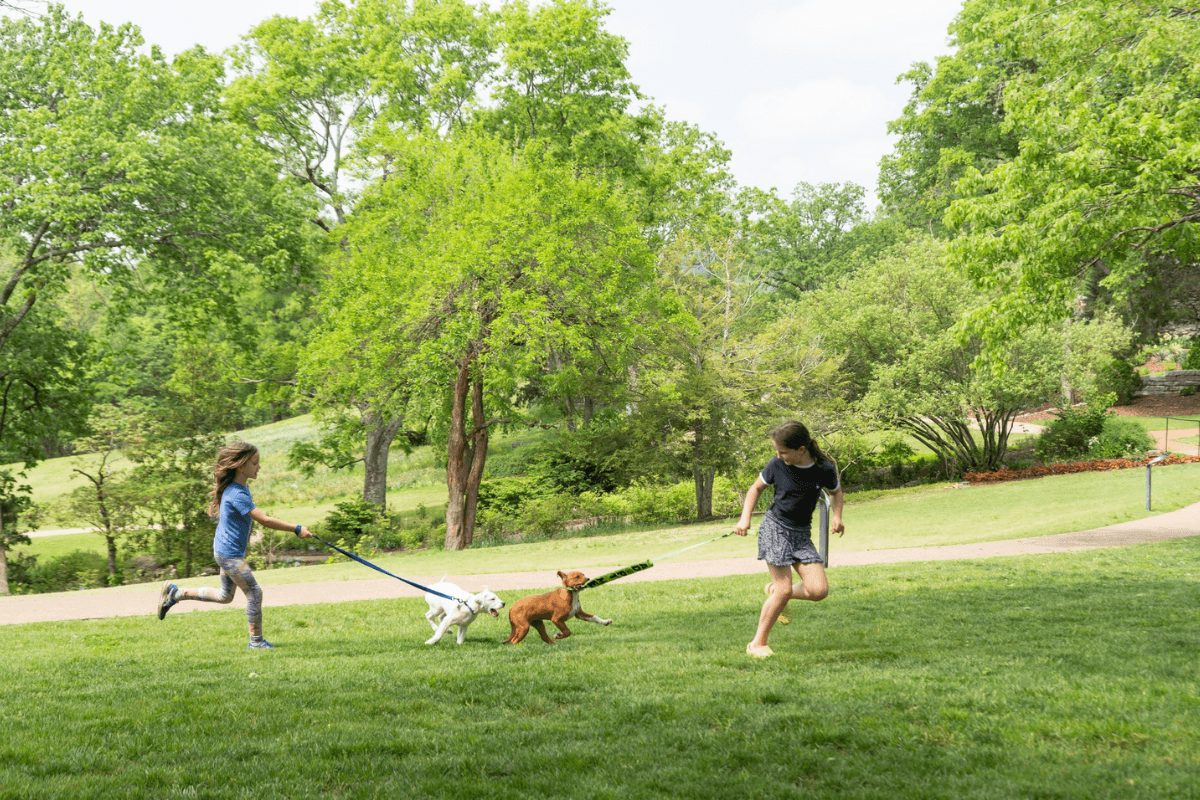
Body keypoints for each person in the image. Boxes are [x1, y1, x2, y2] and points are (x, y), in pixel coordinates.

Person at [156, 441, 313, 649]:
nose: (259, 467)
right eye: (255, 463)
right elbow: (264, 520)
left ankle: (176, 593)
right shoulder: (237, 494)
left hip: (225, 551)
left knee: (225, 596)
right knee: (255, 593)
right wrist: (296, 528)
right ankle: (256, 643)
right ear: (241, 466)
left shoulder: (237, 488)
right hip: (229, 554)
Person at [734, 421, 844, 658]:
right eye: (777, 450)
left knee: (818, 591)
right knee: (784, 591)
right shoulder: (777, 465)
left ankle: (774, 590)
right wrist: (745, 519)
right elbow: (755, 489)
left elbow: (836, 493)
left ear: (801, 449)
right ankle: (757, 644)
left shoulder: (824, 468)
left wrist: (837, 516)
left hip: (802, 533)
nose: (778, 455)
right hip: (775, 528)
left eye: (783, 451)